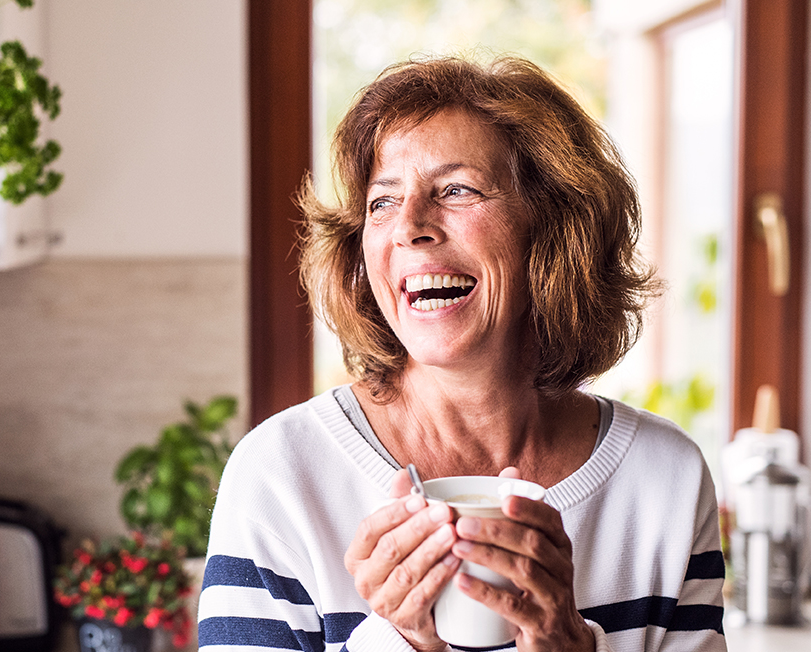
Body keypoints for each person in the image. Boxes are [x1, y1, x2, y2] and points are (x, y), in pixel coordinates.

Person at [197, 55, 726, 652]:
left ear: (552, 230)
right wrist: (401, 642)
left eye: (456, 190)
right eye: (382, 201)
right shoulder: (281, 477)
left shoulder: (666, 482)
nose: (410, 226)